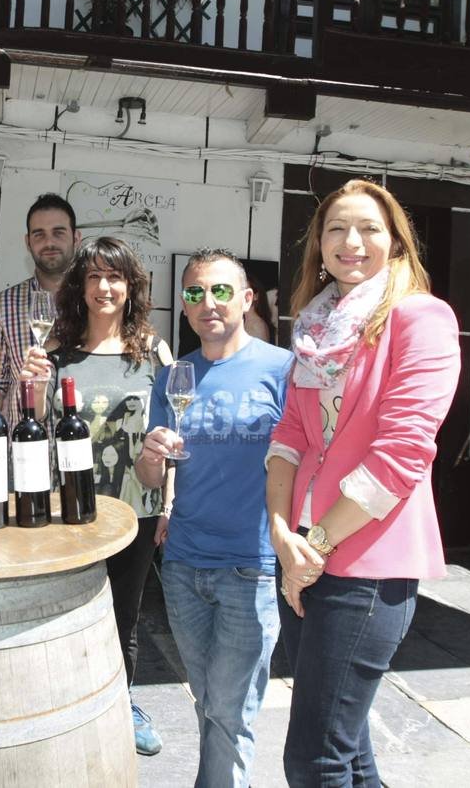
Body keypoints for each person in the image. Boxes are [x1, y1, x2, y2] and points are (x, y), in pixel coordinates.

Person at [265, 179, 460, 786]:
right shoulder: (314, 329)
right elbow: (289, 436)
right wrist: (281, 533)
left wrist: (315, 546)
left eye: (369, 228)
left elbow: (402, 454)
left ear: (395, 242)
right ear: (319, 247)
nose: (351, 241)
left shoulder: (421, 317)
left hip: (366, 565)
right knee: (347, 753)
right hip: (302, 552)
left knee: (314, 759)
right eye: (336, 229)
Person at [135, 248, 293, 788]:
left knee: (230, 709)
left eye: (221, 291)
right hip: (183, 565)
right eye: (196, 292)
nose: (209, 303)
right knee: (211, 702)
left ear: (247, 299)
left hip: (252, 566)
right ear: (184, 305)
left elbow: (305, 461)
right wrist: (151, 454)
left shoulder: (282, 370)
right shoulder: (174, 375)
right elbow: (150, 477)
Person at [26, 237, 173, 756]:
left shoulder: (154, 352)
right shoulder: (56, 352)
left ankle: (122, 702)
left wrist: (168, 505)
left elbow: (170, 434)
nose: (104, 287)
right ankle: (65, 704)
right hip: (68, 510)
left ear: (130, 287)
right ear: (80, 287)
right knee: (63, 613)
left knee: (123, 615)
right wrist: (29, 385)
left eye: (115, 277)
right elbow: (34, 425)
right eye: (94, 277)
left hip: (135, 508)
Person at [0, 193, 81, 423]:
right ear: (28, 242)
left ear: (76, 238)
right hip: (26, 441)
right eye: (39, 234)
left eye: (59, 232)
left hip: (84, 441)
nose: (49, 243)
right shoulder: (4, 305)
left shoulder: (94, 299)